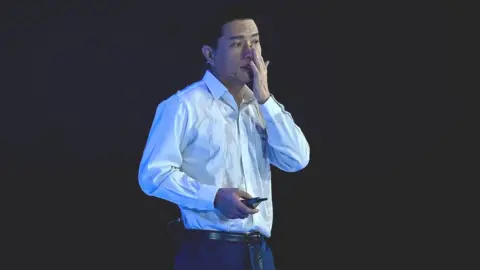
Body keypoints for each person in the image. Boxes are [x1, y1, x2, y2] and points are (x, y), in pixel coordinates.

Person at [138, 5, 310, 270]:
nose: (250, 53)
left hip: (260, 253)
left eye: (255, 42)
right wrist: (214, 197)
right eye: (237, 44)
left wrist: (265, 98)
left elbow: (296, 159)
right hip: (207, 252)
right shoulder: (184, 105)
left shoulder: (262, 107)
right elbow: (153, 175)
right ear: (210, 54)